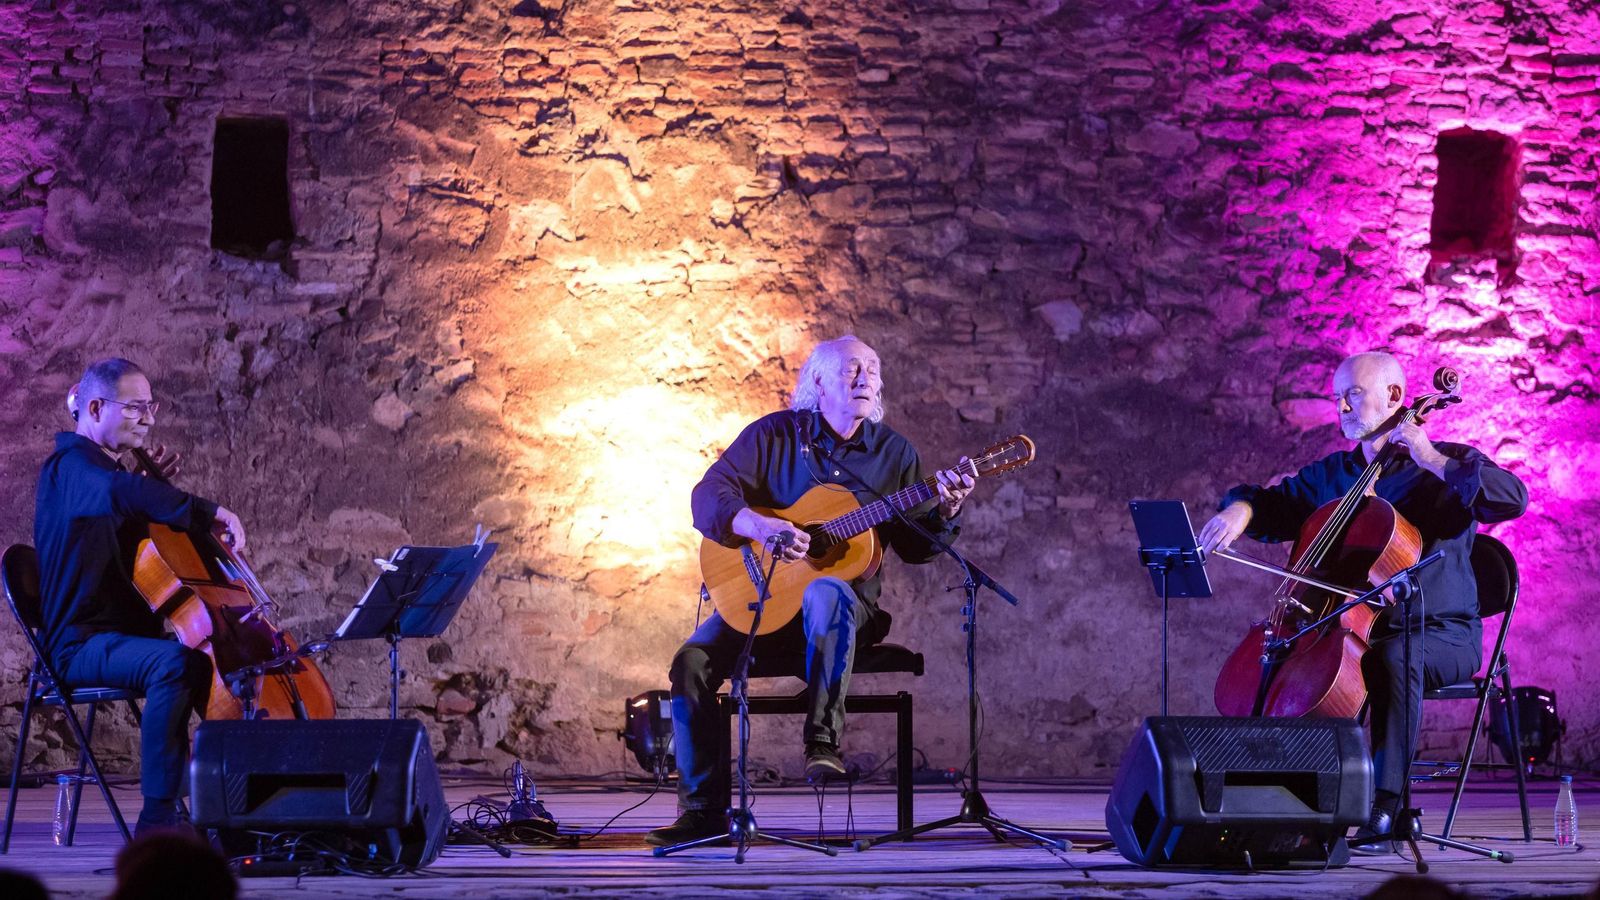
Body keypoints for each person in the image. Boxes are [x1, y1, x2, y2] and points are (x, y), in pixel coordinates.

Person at [647, 336, 975, 847]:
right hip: (759, 601)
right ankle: (701, 813)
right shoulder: (773, 436)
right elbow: (707, 496)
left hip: (843, 618)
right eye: (851, 369)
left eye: (872, 368)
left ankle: (821, 740)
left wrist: (947, 510)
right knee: (690, 663)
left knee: (826, 591)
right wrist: (758, 526)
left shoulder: (895, 455)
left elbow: (916, 546)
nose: (865, 377)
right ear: (818, 382)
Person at [1198, 350, 1527, 853]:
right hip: (1349, 631)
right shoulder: (1337, 474)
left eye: (1353, 394)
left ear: (1395, 396)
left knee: (1393, 659)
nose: (1342, 407)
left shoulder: (1448, 463)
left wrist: (1430, 457)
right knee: (1292, 665)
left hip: (1441, 634)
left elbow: (1513, 499)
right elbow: (1275, 504)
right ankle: (1277, 804)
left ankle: (1385, 806)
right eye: (1337, 398)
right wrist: (1240, 512)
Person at [34, 358, 247, 835]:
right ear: (94, 407)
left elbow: (121, 512)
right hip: (78, 647)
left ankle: (234, 796)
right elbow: (116, 491)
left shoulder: (104, 479)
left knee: (198, 660)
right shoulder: (68, 468)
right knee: (175, 664)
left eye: (150, 407)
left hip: (116, 637)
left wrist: (149, 494)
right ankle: (158, 820)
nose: (149, 419)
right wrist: (205, 511)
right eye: (135, 408)